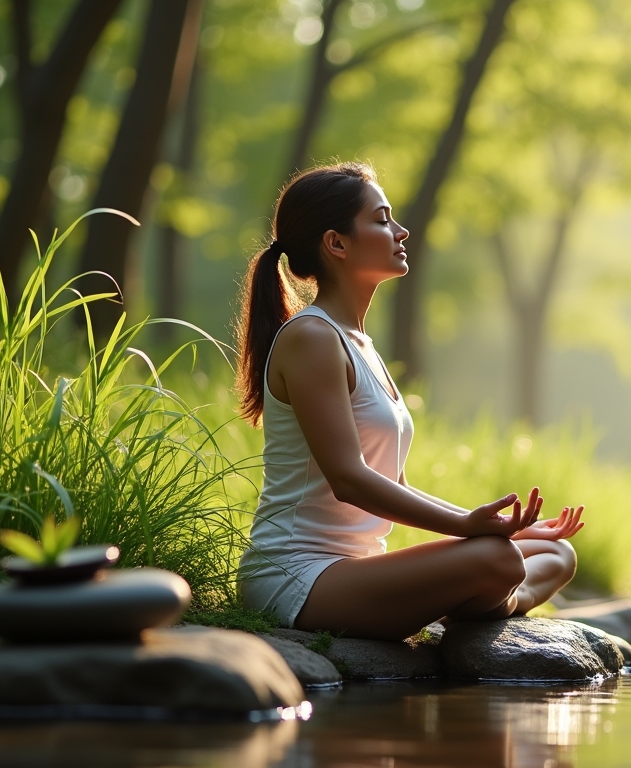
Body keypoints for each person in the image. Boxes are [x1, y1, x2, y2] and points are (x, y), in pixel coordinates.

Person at [234, 162, 583, 641]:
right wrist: (469, 528)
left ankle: (478, 599)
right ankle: (480, 601)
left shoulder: (360, 344)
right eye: (381, 219)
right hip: (299, 577)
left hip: (357, 571)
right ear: (336, 243)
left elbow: (392, 482)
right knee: (498, 560)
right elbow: (350, 480)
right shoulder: (312, 337)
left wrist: (503, 527)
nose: (401, 231)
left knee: (557, 554)